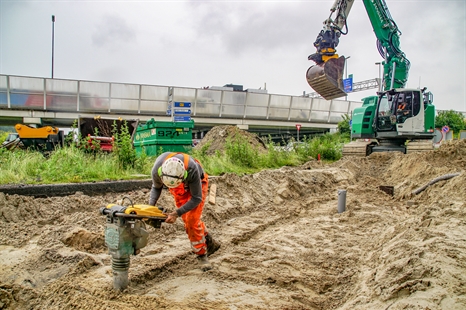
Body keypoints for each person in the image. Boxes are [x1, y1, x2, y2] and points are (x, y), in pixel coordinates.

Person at [149, 152, 220, 271]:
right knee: (189, 220)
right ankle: (210, 242)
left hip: (197, 185)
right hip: (179, 189)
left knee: (191, 220)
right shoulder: (157, 169)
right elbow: (156, 188)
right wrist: (150, 208)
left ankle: (202, 256)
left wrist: (176, 213)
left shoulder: (192, 169)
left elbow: (196, 198)